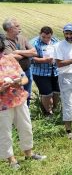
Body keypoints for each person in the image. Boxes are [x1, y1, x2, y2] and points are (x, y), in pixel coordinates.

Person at [0, 34, 46, 170]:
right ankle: (11, 160)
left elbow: (24, 78)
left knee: (26, 127)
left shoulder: (10, 59)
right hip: (2, 105)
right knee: (4, 132)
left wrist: (18, 82)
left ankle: (29, 153)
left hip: (19, 99)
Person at [2, 18, 37, 107]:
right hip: (14, 74)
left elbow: (34, 52)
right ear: (10, 29)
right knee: (16, 93)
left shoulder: (22, 38)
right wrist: (27, 54)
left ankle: (27, 111)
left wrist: (18, 51)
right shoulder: (4, 42)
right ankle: (15, 112)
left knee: (27, 93)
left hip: (27, 70)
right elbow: (12, 57)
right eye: (17, 26)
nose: (19, 28)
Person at [31, 26, 60, 117]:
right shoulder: (34, 43)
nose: (46, 39)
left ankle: (55, 109)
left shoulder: (56, 41)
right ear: (40, 34)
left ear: (52, 35)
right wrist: (43, 60)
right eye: (43, 37)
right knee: (47, 94)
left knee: (56, 92)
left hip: (55, 71)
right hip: (40, 72)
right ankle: (48, 112)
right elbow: (31, 58)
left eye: (48, 37)